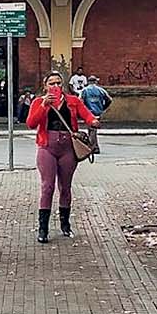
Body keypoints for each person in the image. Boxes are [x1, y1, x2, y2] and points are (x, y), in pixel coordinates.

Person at [27, 70, 98, 243]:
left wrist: (92, 121)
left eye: (59, 83)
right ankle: (43, 228)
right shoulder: (39, 102)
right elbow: (30, 123)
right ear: (45, 86)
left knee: (65, 187)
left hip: (67, 148)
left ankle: (65, 224)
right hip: (47, 146)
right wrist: (44, 105)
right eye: (52, 83)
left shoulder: (72, 101)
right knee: (47, 186)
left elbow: (86, 113)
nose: (56, 86)